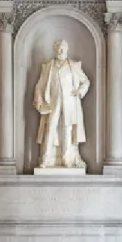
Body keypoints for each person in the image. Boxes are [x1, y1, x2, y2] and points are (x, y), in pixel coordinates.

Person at [33, 39, 89, 168]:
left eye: (63, 48)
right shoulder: (48, 67)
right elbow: (40, 86)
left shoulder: (74, 66)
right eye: (58, 48)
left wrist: (80, 90)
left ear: (67, 49)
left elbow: (85, 81)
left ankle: (67, 158)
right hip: (53, 103)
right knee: (50, 128)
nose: (61, 50)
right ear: (55, 49)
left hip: (70, 103)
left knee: (67, 129)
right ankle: (46, 158)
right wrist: (39, 100)